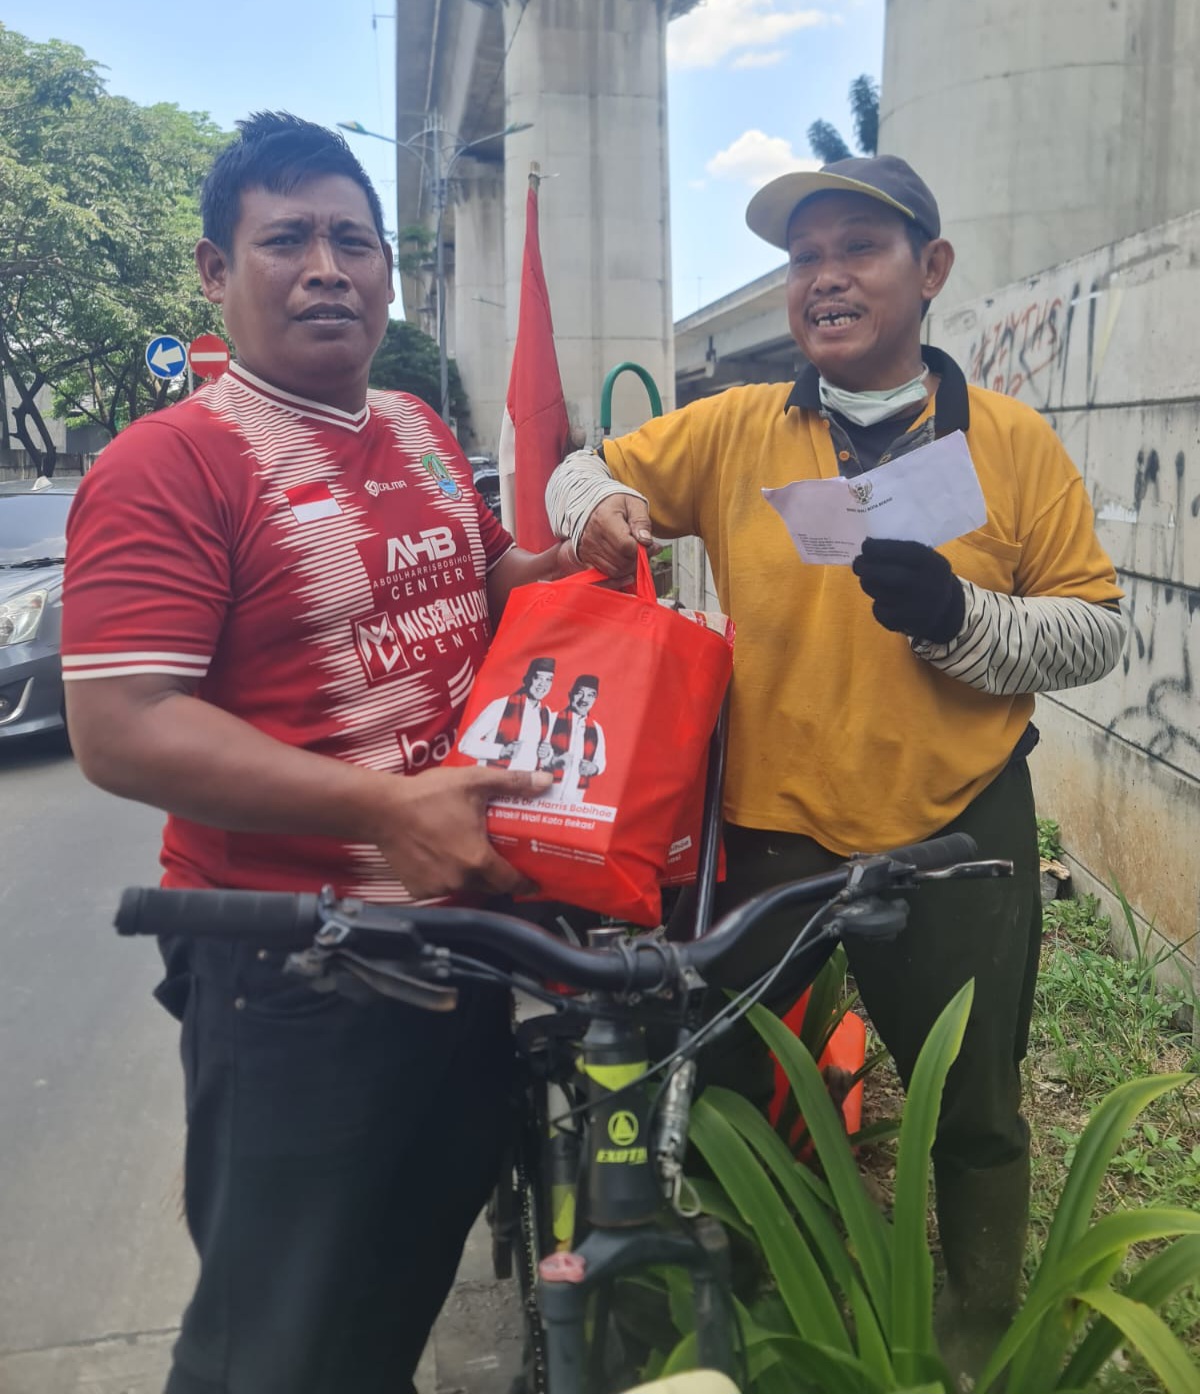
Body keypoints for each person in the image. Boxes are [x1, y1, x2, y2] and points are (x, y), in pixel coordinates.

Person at [546, 154, 1126, 1383]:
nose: (825, 277)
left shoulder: (1009, 443)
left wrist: (961, 617)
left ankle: (976, 1338)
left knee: (974, 1101)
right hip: (772, 826)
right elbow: (580, 465)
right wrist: (588, 505)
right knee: (732, 1079)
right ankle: (752, 1316)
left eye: (858, 247)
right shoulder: (736, 428)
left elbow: (1093, 629)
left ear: (932, 268)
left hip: (957, 825)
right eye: (804, 257)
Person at [61, 113, 579, 1394]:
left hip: (464, 934)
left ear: (390, 272)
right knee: (275, 1337)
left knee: (403, 1274)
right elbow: (122, 722)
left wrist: (573, 564)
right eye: (286, 239)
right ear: (214, 270)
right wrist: (380, 807)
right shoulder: (166, 463)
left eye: (354, 240)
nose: (327, 268)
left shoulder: (415, 425)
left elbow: (479, 583)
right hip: (292, 966)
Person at [458, 656, 556, 769]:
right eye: (538, 678)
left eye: (548, 679)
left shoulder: (546, 714)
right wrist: (501, 750)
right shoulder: (501, 706)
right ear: (527, 679)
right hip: (494, 778)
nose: (543, 684)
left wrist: (547, 754)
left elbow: (544, 759)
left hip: (528, 779)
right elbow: (465, 744)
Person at [542, 674, 606, 803]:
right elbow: (536, 753)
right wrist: (552, 761)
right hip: (545, 791)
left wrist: (594, 768)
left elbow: (600, 761)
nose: (584, 699)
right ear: (570, 695)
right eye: (580, 693)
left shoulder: (596, 728)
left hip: (575, 796)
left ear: (595, 699)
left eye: (590, 695)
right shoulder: (552, 719)